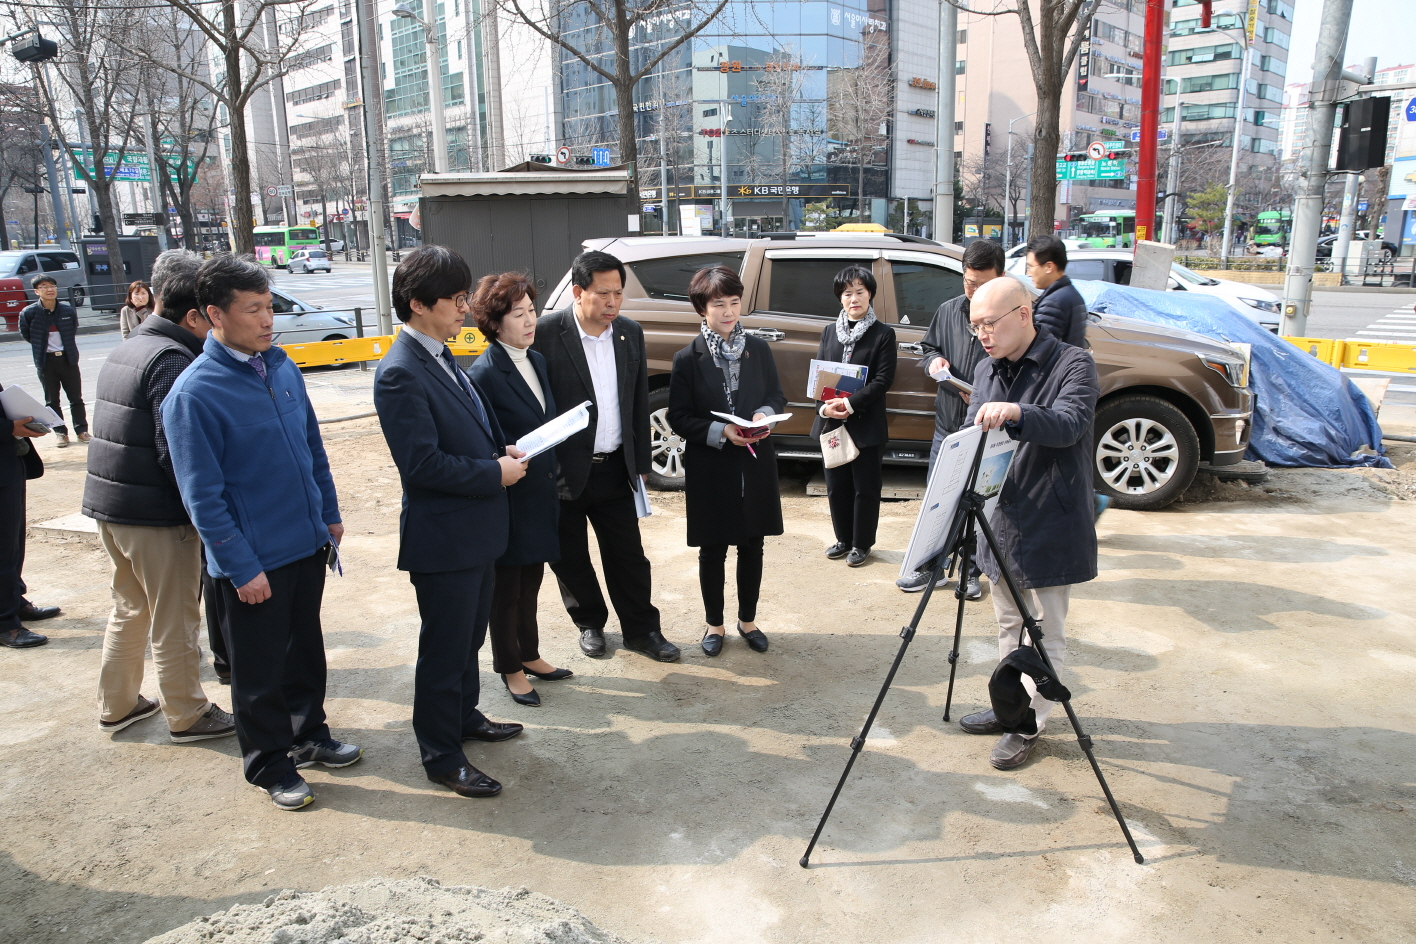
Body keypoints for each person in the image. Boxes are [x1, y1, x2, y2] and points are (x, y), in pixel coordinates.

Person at [163, 254, 361, 811]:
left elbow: (311, 448)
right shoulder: (195, 394)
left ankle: (308, 733)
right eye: (253, 310)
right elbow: (201, 495)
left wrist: (328, 511)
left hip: (305, 541)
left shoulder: (280, 367)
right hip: (252, 559)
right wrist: (239, 564)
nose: (267, 319)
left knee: (305, 651)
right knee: (257, 671)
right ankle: (270, 763)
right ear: (213, 315)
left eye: (269, 306)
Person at [374, 246, 527, 799]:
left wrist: (498, 451)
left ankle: (465, 717)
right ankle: (441, 754)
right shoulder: (399, 372)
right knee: (443, 648)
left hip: (476, 530)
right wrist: (493, 473)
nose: (465, 308)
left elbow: (460, 434)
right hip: (444, 535)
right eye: (456, 299)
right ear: (418, 304)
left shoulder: (439, 354)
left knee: (468, 639)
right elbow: (421, 464)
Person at [83, 249, 235, 742]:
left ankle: (118, 703)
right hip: (154, 514)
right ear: (193, 315)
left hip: (112, 507)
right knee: (176, 616)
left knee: (130, 605)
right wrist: (204, 512)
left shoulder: (131, 344)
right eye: (211, 315)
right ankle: (188, 713)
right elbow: (176, 452)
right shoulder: (172, 359)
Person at [956, 277, 1099, 771]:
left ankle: (1031, 724)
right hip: (999, 517)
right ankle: (1009, 709)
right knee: (1007, 623)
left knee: (1046, 632)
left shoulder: (1072, 362)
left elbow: (1071, 423)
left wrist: (1018, 411)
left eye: (989, 324)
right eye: (975, 327)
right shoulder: (985, 368)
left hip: (1050, 516)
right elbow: (975, 431)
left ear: (1024, 313)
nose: (983, 336)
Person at [531, 250, 680, 663]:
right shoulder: (545, 334)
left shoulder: (629, 332)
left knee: (629, 556)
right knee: (569, 555)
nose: (613, 302)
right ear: (578, 293)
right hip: (565, 471)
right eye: (603, 294)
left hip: (616, 468)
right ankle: (590, 623)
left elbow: (636, 402)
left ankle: (643, 630)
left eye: (619, 293)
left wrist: (642, 466)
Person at [667, 265, 785, 656]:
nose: (730, 311)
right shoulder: (688, 358)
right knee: (713, 547)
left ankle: (747, 621)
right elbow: (680, 416)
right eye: (720, 304)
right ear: (702, 307)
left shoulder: (759, 349)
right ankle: (714, 624)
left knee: (753, 544)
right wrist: (722, 433)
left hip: (755, 461)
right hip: (712, 464)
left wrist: (763, 415)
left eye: (735, 302)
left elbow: (776, 396)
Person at [467, 271, 572, 708]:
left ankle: (530, 654)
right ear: (494, 322)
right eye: (518, 314)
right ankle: (510, 667)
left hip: (540, 489)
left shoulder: (537, 358)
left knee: (532, 580)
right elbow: (484, 441)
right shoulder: (485, 373)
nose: (530, 321)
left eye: (532, 311)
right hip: (509, 494)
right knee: (506, 588)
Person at [896, 239, 1007, 596]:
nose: (973, 291)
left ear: (1001, 278)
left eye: (982, 284)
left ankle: (971, 572)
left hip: (988, 429)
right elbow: (930, 348)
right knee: (938, 500)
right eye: (968, 283)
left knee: (979, 501)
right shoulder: (948, 311)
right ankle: (933, 567)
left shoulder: (1011, 320)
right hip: (948, 424)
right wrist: (935, 364)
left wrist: (988, 394)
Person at [812, 264, 897, 567]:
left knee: (865, 487)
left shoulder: (883, 335)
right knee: (836, 485)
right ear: (840, 298)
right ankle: (843, 539)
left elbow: (883, 380)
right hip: (831, 422)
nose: (854, 299)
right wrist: (824, 407)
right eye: (847, 293)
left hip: (865, 423)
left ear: (870, 294)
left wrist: (849, 404)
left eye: (860, 292)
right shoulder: (828, 332)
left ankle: (862, 544)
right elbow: (821, 378)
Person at [0, 386, 55, 650]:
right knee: (3, 548)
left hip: (9, 460)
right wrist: (8, 427)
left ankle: (14, 601)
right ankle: (5, 623)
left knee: (14, 540)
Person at [19, 274, 87, 448]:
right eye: (44, 286)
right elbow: (28, 336)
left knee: (76, 398)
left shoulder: (67, 310)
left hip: (68, 359)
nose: (49, 289)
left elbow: (72, 330)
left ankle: (82, 430)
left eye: (52, 285)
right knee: (52, 401)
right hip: (45, 361)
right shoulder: (29, 313)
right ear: (36, 291)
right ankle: (60, 433)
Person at [1024, 235, 1087, 348]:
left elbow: (1040, 348)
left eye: (1031, 267)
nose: (1028, 273)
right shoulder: (1072, 294)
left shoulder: (1053, 303)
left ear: (1049, 267)